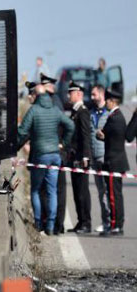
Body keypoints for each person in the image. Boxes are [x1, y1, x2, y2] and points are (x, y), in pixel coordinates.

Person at [18, 86, 74, 235]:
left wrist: (14, 145)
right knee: (52, 191)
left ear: (35, 95)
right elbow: (70, 125)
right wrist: (63, 143)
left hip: (40, 155)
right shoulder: (55, 109)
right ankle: (50, 225)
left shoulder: (34, 110)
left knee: (36, 190)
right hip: (55, 155)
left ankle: (38, 223)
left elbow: (22, 131)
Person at [96, 88, 129, 236]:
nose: (106, 103)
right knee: (115, 194)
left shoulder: (115, 118)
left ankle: (116, 225)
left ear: (112, 101)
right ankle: (116, 224)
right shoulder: (115, 116)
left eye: (107, 101)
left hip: (114, 162)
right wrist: (103, 135)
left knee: (113, 196)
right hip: (115, 161)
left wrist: (101, 134)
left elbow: (106, 134)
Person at [39, 72, 67, 234]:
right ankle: (56, 224)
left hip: (55, 152)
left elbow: (63, 126)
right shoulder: (54, 101)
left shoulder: (54, 102)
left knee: (56, 190)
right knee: (54, 189)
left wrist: (60, 144)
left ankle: (57, 224)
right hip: (54, 150)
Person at [66, 81, 92, 234]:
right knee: (76, 191)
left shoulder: (83, 112)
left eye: (71, 93)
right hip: (74, 157)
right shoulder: (75, 111)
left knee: (82, 191)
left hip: (81, 158)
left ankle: (86, 223)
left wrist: (86, 156)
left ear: (78, 94)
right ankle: (80, 221)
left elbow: (86, 135)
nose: (68, 95)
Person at [90, 84, 110, 233]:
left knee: (107, 192)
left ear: (101, 95)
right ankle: (105, 221)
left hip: (105, 157)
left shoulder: (109, 114)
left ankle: (110, 221)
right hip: (94, 157)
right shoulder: (91, 113)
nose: (91, 97)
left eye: (94, 94)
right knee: (100, 191)